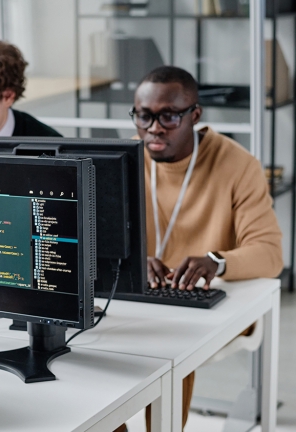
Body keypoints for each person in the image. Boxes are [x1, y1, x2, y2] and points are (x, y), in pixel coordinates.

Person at [117, 66, 283, 432]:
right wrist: (130, 261)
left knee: (172, 346)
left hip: (213, 298)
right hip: (144, 298)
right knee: (88, 345)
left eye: (168, 116)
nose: (154, 128)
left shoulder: (238, 164)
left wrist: (217, 261)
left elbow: (270, 253)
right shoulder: (125, 158)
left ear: (195, 115)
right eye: (144, 116)